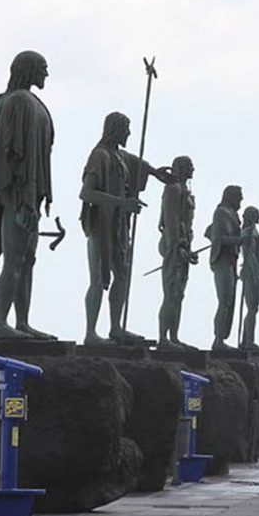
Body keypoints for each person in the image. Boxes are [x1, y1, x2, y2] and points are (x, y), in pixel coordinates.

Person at [0, 51, 56, 340]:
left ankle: (22, 322)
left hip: (31, 194)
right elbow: (13, 154)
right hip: (17, 192)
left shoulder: (34, 104)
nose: (46, 74)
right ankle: (1, 323)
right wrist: (23, 196)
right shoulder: (18, 102)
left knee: (27, 260)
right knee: (14, 259)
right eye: (43, 68)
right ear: (30, 69)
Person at [79, 112, 172, 345]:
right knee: (98, 278)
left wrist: (155, 172)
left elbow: (137, 163)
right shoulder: (100, 155)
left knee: (122, 276)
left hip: (119, 228)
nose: (129, 133)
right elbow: (86, 193)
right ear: (115, 129)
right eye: (126, 129)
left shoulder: (118, 156)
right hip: (101, 225)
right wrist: (121, 202)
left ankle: (116, 327)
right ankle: (91, 332)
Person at [157, 157, 198, 350]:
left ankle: (174, 336)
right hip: (174, 246)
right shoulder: (173, 189)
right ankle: (164, 338)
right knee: (171, 293)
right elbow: (171, 221)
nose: (193, 170)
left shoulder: (186, 191)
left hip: (184, 246)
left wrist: (188, 249)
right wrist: (177, 246)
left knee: (179, 295)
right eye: (190, 167)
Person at [206, 185, 244, 351]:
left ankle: (221, 337)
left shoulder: (233, 214)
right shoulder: (222, 212)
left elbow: (210, 231)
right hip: (222, 260)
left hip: (232, 261)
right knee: (225, 300)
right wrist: (240, 240)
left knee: (229, 302)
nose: (241, 200)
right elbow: (219, 237)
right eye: (239, 197)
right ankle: (218, 339)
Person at [239, 206, 259, 350]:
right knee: (252, 308)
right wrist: (255, 273)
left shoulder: (253, 231)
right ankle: (248, 342)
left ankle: (247, 340)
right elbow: (249, 255)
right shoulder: (248, 232)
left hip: (255, 271)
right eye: (257, 214)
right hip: (250, 271)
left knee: (253, 308)